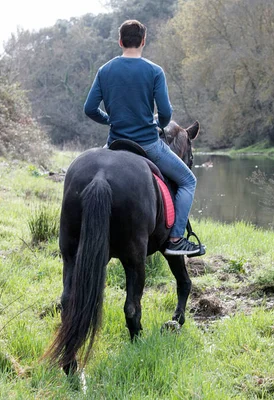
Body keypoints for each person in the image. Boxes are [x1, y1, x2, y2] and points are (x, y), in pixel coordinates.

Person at [84, 19, 205, 257]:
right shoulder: (154, 71)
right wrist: (158, 125)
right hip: (148, 145)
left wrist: (110, 120)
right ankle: (176, 239)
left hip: (114, 144)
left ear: (120, 41)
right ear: (143, 41)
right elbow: (167, 113)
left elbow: (89, 109)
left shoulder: (105, 70)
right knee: (188, 181)